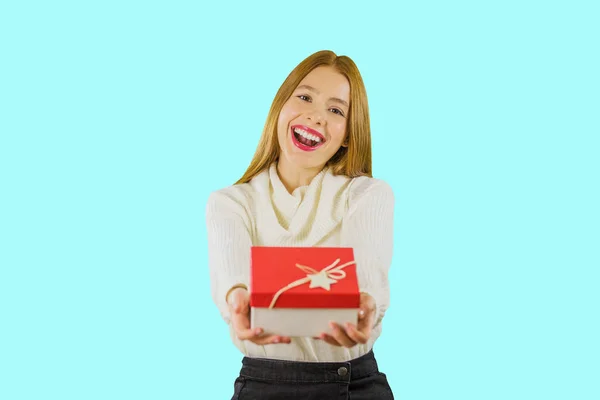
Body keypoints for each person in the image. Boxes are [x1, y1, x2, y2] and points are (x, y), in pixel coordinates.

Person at [206, 50, 395, 399]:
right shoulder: (230, 202)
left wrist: (366, 302)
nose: (316, 115)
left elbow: (368, 270)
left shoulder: (366, 195)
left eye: (336, 110)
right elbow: (232, 276)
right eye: (305, 97)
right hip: (263, 385)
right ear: (280, 106)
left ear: (349, 134)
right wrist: (238, 300)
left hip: (354, 384)